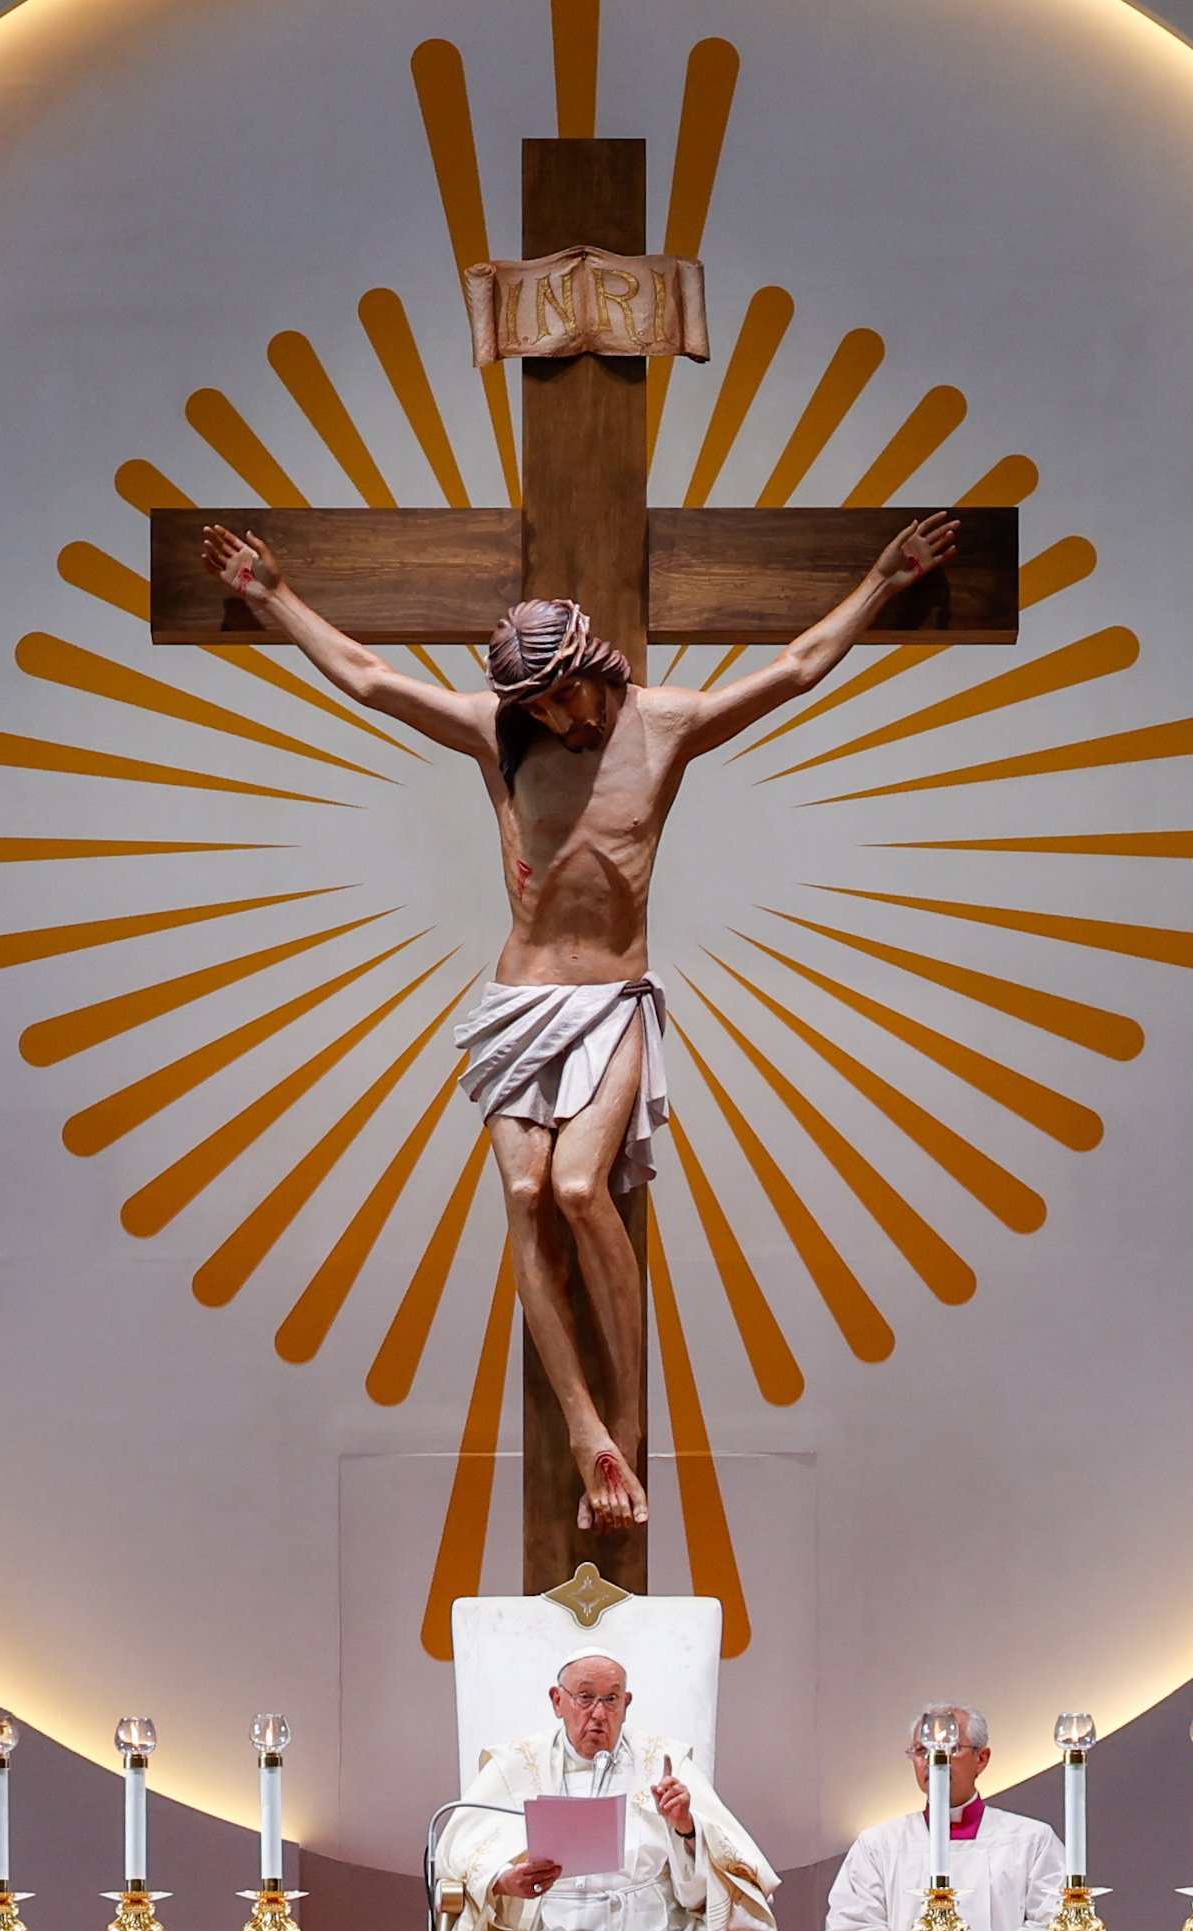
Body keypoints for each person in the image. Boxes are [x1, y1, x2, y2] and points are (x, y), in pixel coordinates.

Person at [200, 513, 960, 1535]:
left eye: (573, 697)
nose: (566, 723)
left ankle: (632, 1427)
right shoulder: (500, 733)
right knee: (524, 1193)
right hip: (519, 1002)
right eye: (545, 708)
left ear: (599, 667)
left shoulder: (668, 725)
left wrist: (883, 580)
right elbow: (372, 679)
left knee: (574, 1187)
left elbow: (793, 668)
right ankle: (583, 1429)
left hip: (611, 1001)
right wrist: (269, 595)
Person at [435, 1648, 776, 1931]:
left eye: (611, 1699)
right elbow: (458, 1851)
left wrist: (685, 1827)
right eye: (585, 1697)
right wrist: (502, 1879)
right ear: (558, 1700)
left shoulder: (663, 1762)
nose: (599, 1713)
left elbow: (720, 1873)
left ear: (626, 1704)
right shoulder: (516, 1765)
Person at [823, 1704, 1064, 1931]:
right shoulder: (878, 1845)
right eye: (920, 1750)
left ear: (981, 1759)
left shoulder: (1032, 1840)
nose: (933, 1760)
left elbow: (1054, 1925)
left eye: (951, 1748)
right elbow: (851, 1928)